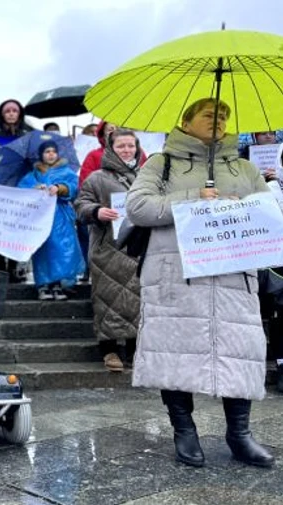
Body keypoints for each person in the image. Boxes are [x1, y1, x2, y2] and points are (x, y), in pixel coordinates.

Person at [126, 97, 274, 468]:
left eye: (224, 115)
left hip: (233, 276)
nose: (218, 120)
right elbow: (138, 207)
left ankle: (239, 433)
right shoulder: (161, 164)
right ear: (187, 120)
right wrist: (194, 197)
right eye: (209, 114)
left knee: (240, 349)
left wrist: (242, 208)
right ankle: (184, 430)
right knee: (174, 350)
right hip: (175, 275)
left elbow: (267, 215)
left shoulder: (244, 168)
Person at [74, 129, 144, 371]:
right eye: (121, 146)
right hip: (108, 249)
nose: (127, 150)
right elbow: (80, 205)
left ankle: (135, 350)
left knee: (137, 300)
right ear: (111, 149)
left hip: (138, 247)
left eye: (131, 145)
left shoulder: (146, 177)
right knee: (107, 299)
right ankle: (109, 350)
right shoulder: (97, 178)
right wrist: (96, 211)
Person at [18, 141, 85, 300]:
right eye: (47, 151)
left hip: (60, 217)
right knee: (42, 250)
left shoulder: (66, 171)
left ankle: (57, 284)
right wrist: (35, 188)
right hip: (40, 217)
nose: (50, 154)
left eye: (53, 151)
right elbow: (22, 188)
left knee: (62, 249)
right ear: (41, 155)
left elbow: (75, 187)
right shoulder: (34, 173)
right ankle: (43, 284)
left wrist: (60, 188)